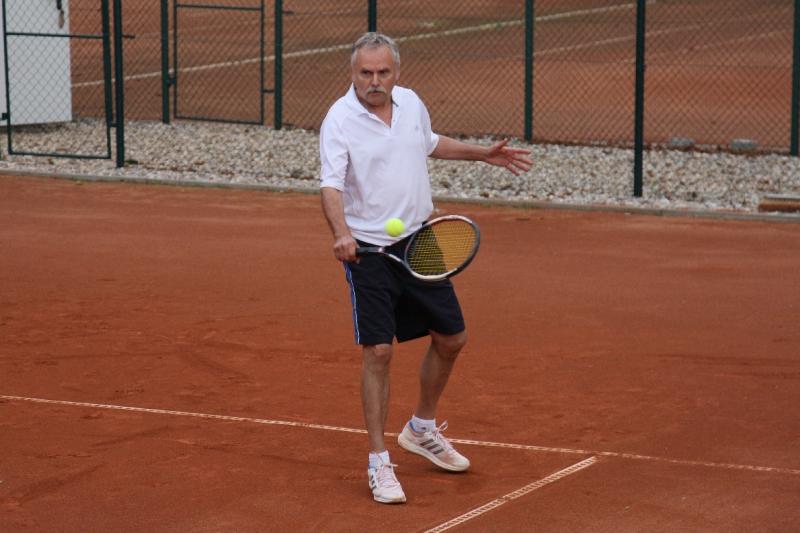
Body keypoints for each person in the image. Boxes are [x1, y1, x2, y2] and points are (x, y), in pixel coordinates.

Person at [319, 32, 532, 504]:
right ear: (353, 73)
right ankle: (379, 461)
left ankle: (420, 427)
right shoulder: (339, 119)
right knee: (378, 351)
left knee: (452, 338)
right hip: (369, 249)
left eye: (383, 72)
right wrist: (341, 233)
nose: (374, 81)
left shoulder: (411, 103)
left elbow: (430, 143)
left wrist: (483, 154)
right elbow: (331, 185)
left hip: (419, 240)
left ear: (397, 72)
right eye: (365, 73)